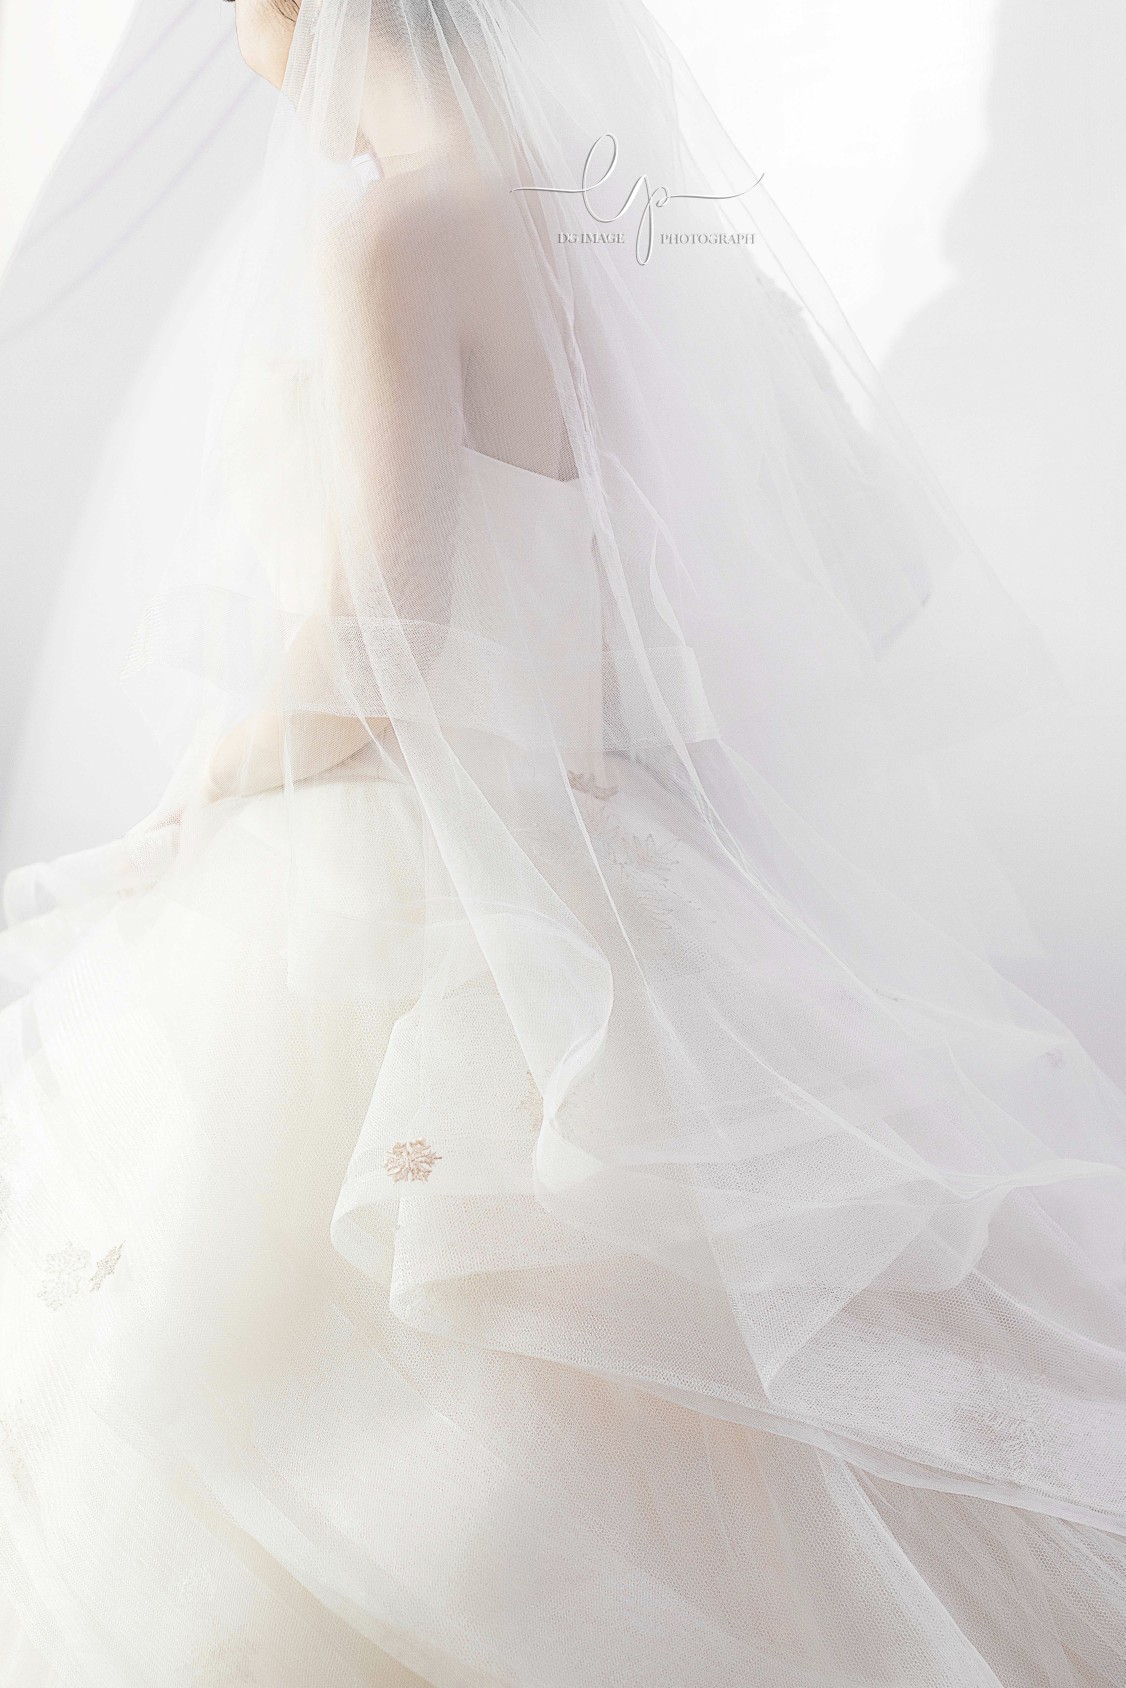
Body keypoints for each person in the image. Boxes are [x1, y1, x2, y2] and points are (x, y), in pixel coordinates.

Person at [0, 0, 1122, 1681]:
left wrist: (204, 784)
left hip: (414, 857)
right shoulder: (610, 221)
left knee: (269, 1349)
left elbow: (376, 629)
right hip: (598, 841)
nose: (236, 42)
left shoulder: (395, 230)